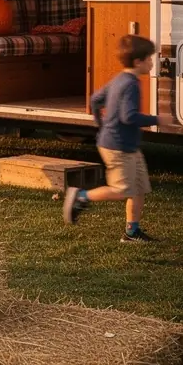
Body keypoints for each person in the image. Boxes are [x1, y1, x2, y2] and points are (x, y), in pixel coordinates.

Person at [63, 34, 172, 241]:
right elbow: (128, 116)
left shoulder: (119, 79)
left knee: (138, 188)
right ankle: (81, 196)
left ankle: (132, 232)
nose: (151, 63)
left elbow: (95, 100)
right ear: (138, 62)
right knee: (121, 190)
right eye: (149, 59)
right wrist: (157, 119)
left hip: (126, 145)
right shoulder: (131, 85)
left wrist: (100, 125)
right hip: (118, 147)